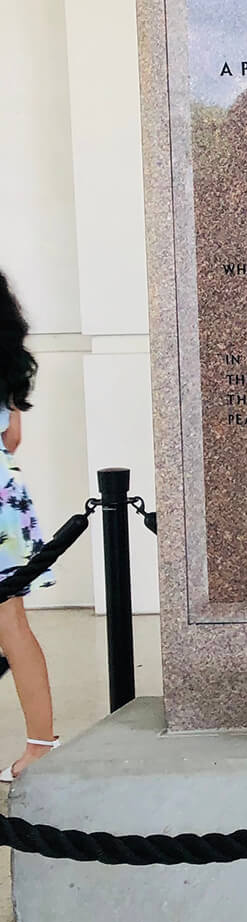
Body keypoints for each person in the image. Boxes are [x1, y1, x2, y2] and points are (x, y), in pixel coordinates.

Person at [0, 271, 58, 782]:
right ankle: (40, 744)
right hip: (3, 498)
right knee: (12, 623)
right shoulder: (6, 362)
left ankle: (42, 744)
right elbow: (12, 436)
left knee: (9, 624)